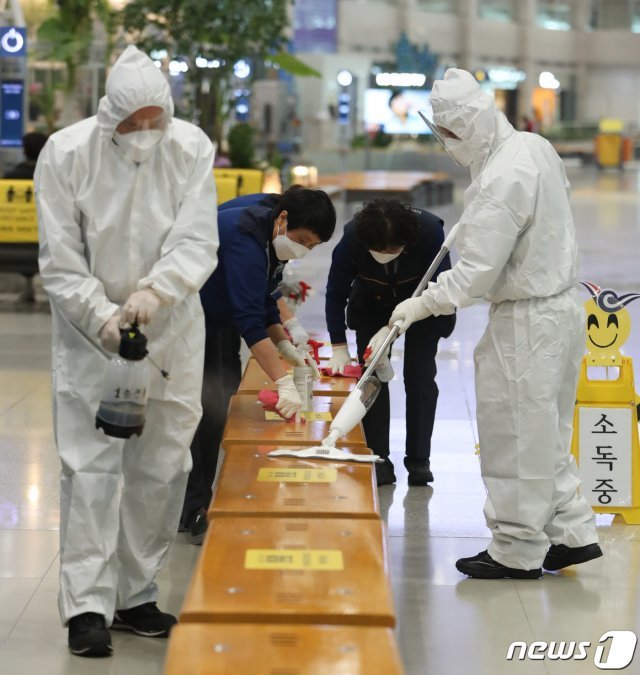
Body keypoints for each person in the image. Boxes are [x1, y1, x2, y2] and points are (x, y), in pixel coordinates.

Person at [34, 45, 219, 656]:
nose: (143, 133)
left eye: (153, 120)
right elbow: (60, 262)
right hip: (92, 339)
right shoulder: (65, 153)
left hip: (170, 329)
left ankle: (135, 594)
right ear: (106, 114)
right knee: (91, 469)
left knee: (164, 467)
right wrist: (104, 317)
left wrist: (154, 294)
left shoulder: (191, 147)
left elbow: (196, 240)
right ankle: (86, 605)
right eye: (130, 122)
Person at [387, 68, 602, 579]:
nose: (450, 147)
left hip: (527, 322)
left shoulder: (500, 179)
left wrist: (419, 304)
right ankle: (571, 532)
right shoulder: (533, 146)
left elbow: (474, 277)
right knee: (546, 433)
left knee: (514, 436)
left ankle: (517, 548)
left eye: (451, 135)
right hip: (562, 310)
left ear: (471, 126)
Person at [181, 187, 336, 543]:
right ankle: (194, 509)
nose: (304, 250)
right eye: (303, 241)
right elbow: (249, 318)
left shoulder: (272, 228)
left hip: (217, 314)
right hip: (192, 317)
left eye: (313, 246)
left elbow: (265, 299)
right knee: (207, 408)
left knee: (223, 399)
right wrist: (282, 381)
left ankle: (207, 497)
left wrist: (285, 342)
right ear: (284, 220)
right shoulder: (244, 238)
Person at [325, 199, 455, 486]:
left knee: (419, 374)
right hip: (372, 302)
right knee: (371, 376)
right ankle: (379, 457)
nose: (384, 255)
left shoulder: (430, 233)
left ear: (406, 242)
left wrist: (406, 317)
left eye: (392, 250)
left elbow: (445, 289)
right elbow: (335, 293)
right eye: (377, 251)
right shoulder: (352, 238)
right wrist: (338, 347)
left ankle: (419, 460)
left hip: (424, 304)